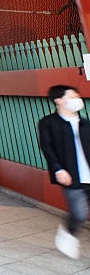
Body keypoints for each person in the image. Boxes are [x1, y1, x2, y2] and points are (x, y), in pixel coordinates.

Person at [39, 85, 90, 260]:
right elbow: (47, 148)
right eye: (73, 96)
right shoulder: (48, 123)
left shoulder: (85, 123)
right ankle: (68, 232)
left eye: (78, 95)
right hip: (70, 175)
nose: (78, 99)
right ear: (58, 100)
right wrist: (58, 169)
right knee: (80, 214)